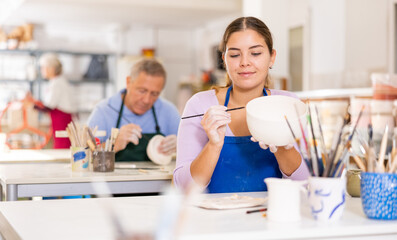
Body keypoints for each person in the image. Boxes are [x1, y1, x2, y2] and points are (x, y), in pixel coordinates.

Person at [174, 17, 310, 193]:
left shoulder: (289, 106)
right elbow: (182, 188)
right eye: (235, 55)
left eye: (255, 53)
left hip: (271, 215)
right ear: (224, 59)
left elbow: (308, 185)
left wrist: (283, 148)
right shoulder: (200, 105)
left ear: (272, 57)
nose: (245, 62)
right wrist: (213, 146)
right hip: (212, 219)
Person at [88, 58, 180, 162]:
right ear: (128, 82)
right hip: (113, 178)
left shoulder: (168, 111)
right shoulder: (103, 111)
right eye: (142, 91)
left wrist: (180, 146)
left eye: (154, 94)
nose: (146, 100)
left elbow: (192, 153)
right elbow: (84, 156)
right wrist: (114, 144)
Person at [32, 53, 75, 149]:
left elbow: (48, 107)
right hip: (60, 118)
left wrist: (32, 105)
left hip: (62, 119)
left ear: (51, 68)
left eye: (43, 68)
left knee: (62, 145)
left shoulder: (57, 83)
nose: (42, 70)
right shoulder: (56, 81)